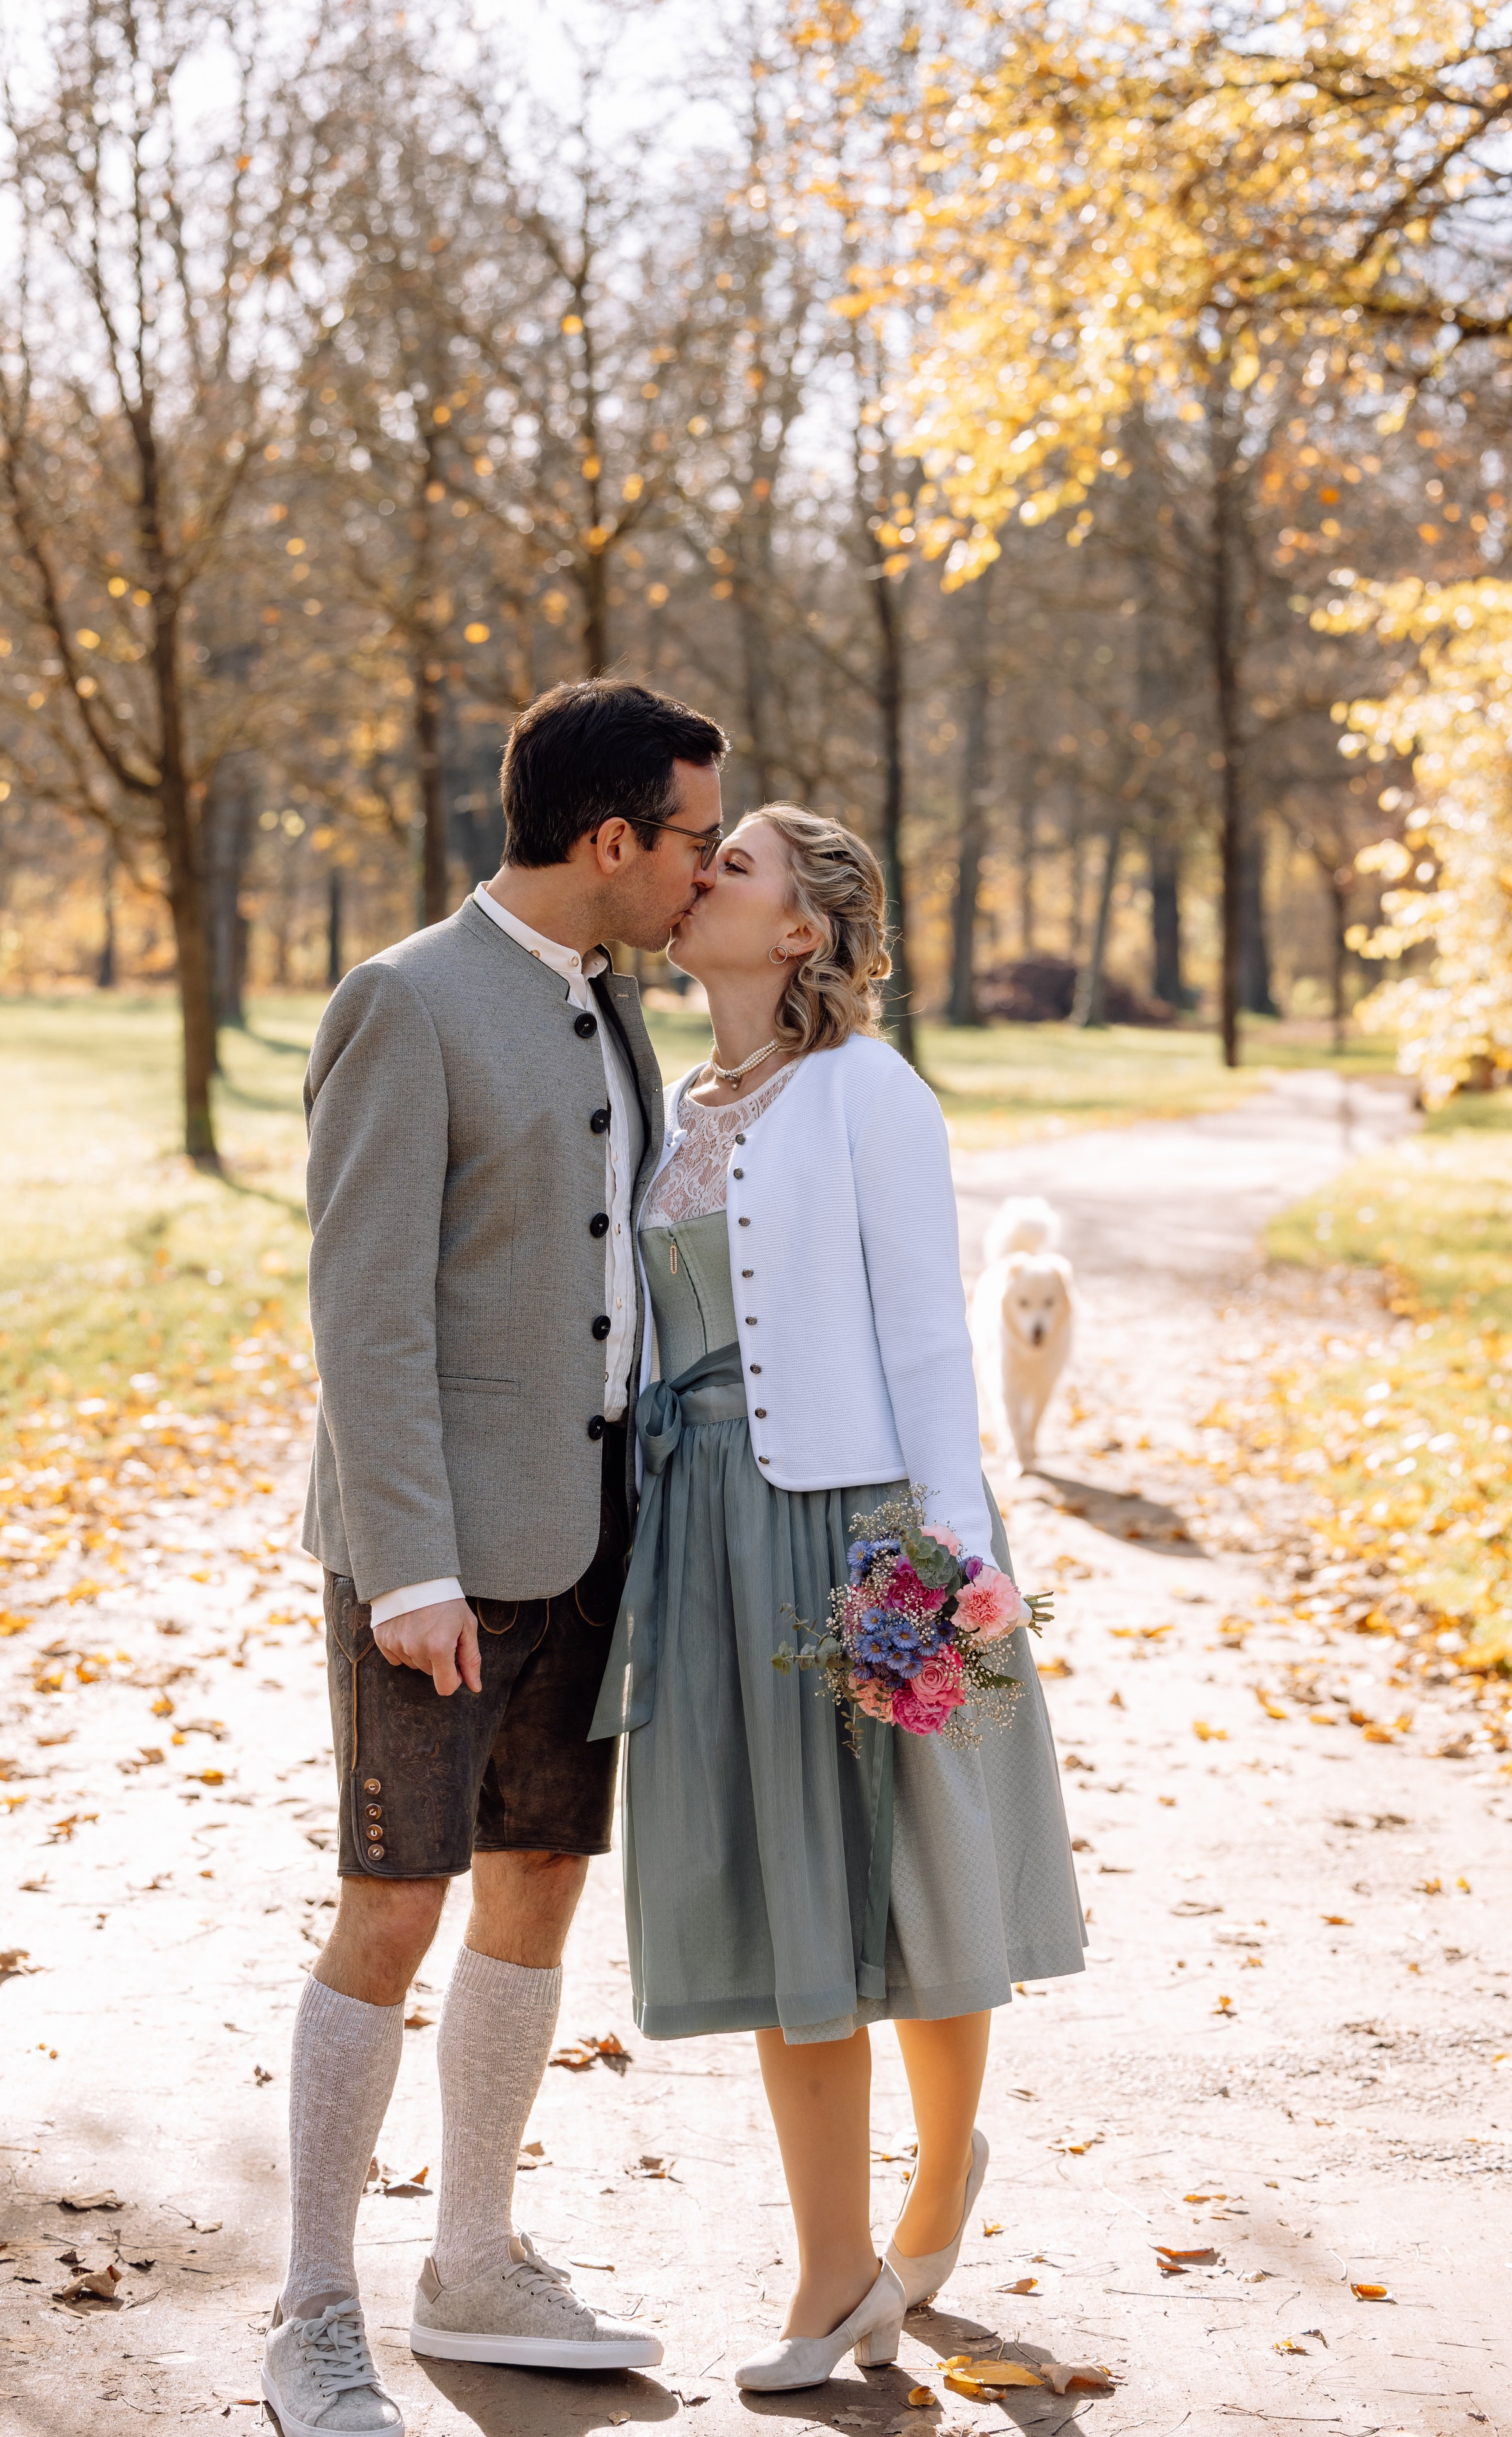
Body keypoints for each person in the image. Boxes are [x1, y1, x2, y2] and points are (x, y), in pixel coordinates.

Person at [262, 679, 730, 2437]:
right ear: (611, 838)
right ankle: (314, 2306)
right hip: (433, 1564)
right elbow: (364, 1313)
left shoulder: (612, 1003)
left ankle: (474, 2251)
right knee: (397, 1899)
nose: (702, 871)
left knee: (539, 1883)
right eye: (691, 839)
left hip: (592, 1543)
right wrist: (405, 1567)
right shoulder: (405, 1000)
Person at [590, 804, 1086, 2393]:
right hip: (704, 1534)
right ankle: (830, 2275)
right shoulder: (674, 1103)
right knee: (785, 1890)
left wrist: (951, 1552)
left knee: (907, 1879)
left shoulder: (870, 1090)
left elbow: (931, 1335)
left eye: (729, 863)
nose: (696, 876)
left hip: (855, 1524)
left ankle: (940, 2178)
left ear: (799, 929)